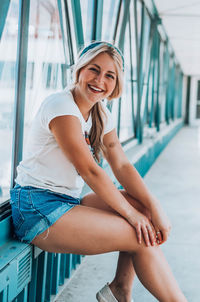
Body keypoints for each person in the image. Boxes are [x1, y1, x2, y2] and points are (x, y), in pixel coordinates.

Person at [10, 41, 187, 302]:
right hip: (37, 207)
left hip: (65, 202)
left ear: (116, 83)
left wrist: (153, 206)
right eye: (94, 70)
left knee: (144, 211)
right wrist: (132, 216)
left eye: (109, 75)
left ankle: (120, 289)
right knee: (140, 235)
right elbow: (89, 171)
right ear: (79, 70)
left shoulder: (100, 113)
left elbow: (123, 165)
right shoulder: (60, 106)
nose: (99, 80)